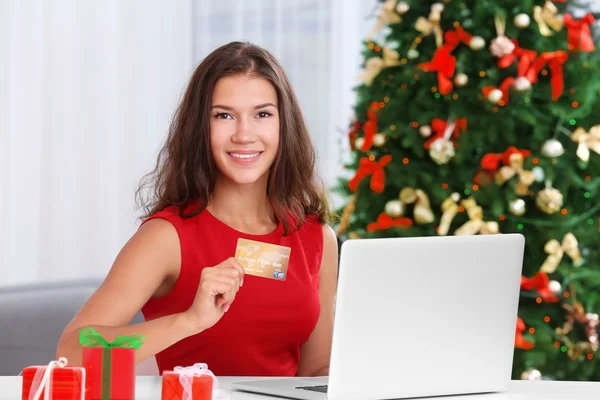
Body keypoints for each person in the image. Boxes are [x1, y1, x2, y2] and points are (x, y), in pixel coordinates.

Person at [56, 41, 339, 378]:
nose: (244, 134)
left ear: (284, 124)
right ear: (200, 128)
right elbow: (73, 351)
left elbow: (315, 372)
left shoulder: (316, 237)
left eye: (262, 114)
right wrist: (188, 321)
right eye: (223, 115)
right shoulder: (166, 237)